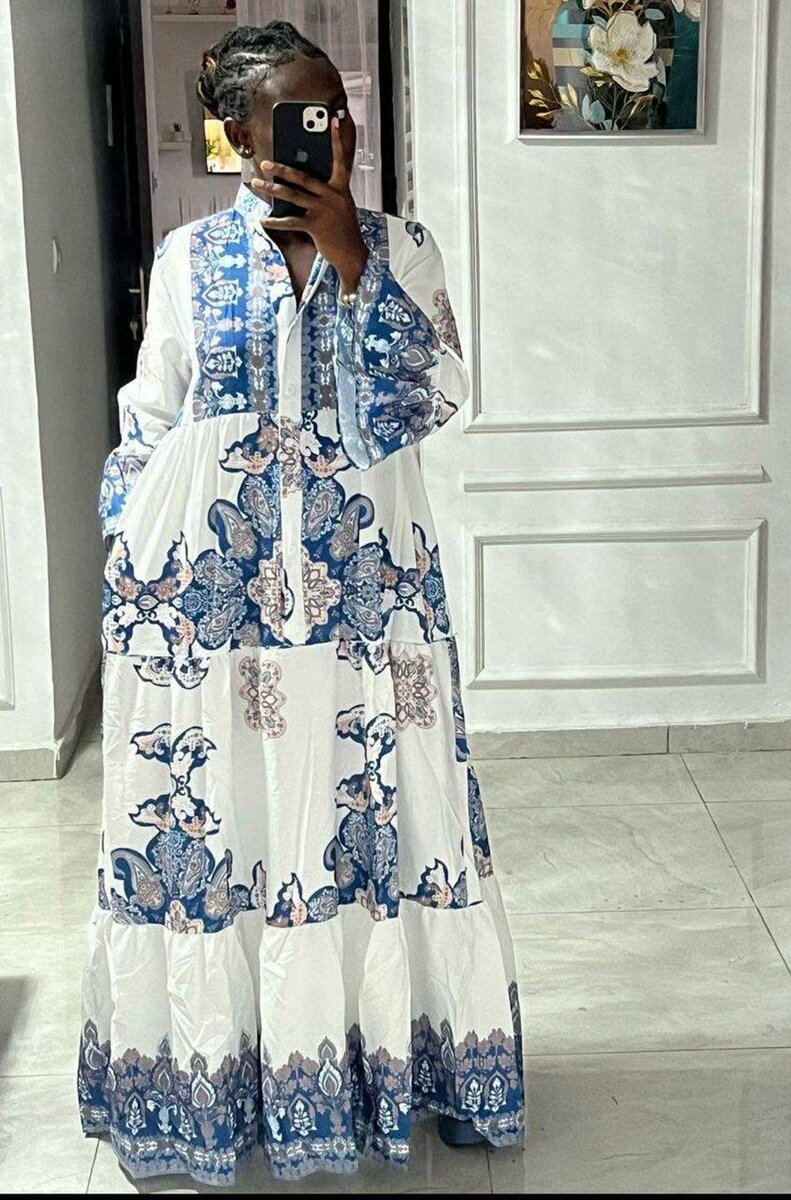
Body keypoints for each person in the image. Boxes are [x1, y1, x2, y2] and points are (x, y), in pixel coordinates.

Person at [77, 19, 525, 1187]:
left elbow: (436, 396)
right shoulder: (188, 257)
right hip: (214, 588)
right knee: (232, 812)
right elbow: (153, 412)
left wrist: (352, 261)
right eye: (300, 113)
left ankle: (411, 1068)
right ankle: (217, 1084)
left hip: (366, 587)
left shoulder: (402, 247)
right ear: (241, 135)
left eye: (338, 107)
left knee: (380, 809)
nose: (333, 131)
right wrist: (129, 537)